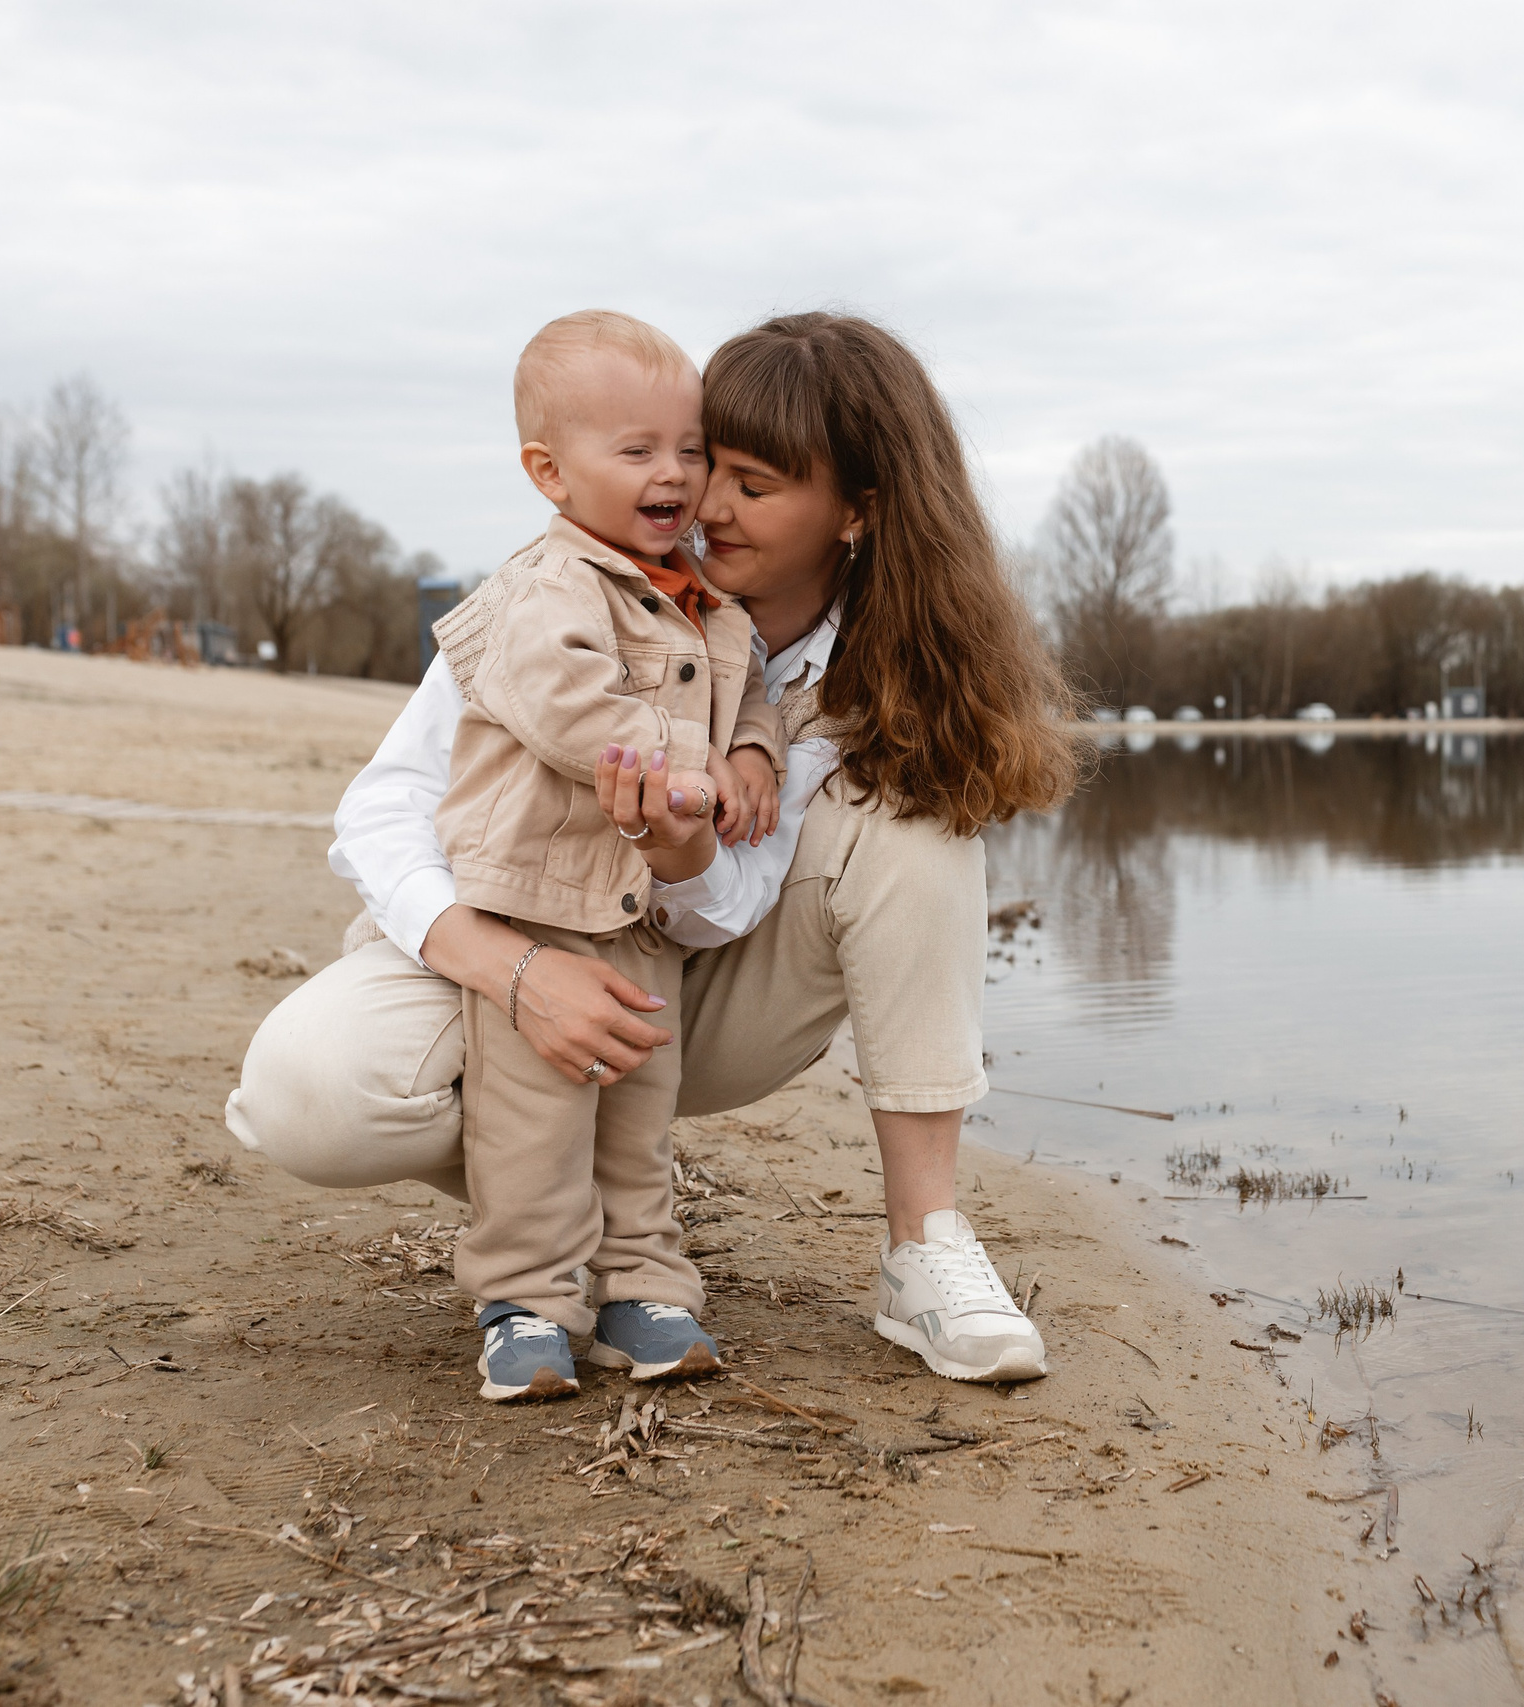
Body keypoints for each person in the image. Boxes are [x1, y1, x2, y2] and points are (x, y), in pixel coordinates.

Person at [225, 311, 1082, 1385]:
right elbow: (384, 805)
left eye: (752, 485)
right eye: (701, 460)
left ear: (856, 512)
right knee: (305, 1093)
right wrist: (517, 970)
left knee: (919, 818)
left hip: (694, 993)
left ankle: (925, 1249)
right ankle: (548, 1211)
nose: (703, 501)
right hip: (509, 941)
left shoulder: (854, 678)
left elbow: (727, 906)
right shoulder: (569, 585)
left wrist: (682, 848)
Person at [423, 309, 785, 1402]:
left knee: (639, 1107)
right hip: (538, 901)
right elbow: (566, 704)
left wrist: (757, 751)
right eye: (635, 452)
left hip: (635, 910)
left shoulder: (706, 602)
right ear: (550, 471)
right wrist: (692, 765)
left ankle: (642, 1285)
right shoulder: (550, 588)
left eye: (689, 450)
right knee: (536, 1118)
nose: (672, 475)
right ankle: (526, 1300)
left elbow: (751, 684)